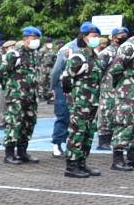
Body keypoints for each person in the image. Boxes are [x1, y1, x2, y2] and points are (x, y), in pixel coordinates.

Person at [61, 22, 107, 178]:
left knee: (88, 133)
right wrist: (69, 93)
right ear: (85, 37)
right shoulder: (78, 57)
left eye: (98, 36)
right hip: (80, 102)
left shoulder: (95, 57)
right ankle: (71, 166)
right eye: (94, 36)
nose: (97, 39)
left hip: (92, 102)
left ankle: (82, 163)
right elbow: (66, 78)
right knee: (77, 132)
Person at [0, 29, 43, 166]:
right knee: (14, 123)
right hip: (16, 96)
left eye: (37, 38)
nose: (36, 41)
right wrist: (11, 88)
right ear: (25, 39)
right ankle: (9, 154)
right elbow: (2, 73)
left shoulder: (34, 54)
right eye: (33, 38)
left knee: (28, 123)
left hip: (31, 96)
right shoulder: (15, 54)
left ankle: (22, 152)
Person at [50, 26, 88, 158]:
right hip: (63, 86)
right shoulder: (68, 49)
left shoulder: (89, 50)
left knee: (77, 117)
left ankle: (71, 145)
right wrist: (53, 87)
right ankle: (57, 144)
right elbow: (56, 70)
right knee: (63, 115)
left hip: (80, 88)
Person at [97, 27, 130, 151]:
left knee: (119, 114)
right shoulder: (107, 52)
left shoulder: (126, 50)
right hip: (108, 88)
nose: (124, 38)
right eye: (122, 36)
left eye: (126, 35)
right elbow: (98, 69)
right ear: (114, 37)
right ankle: (103, 141)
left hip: (121, 89)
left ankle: (114, 139)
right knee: (107, 113)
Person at [105, 39, 134, 170]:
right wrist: (119, 85)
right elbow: (116, 69)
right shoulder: (129, 46)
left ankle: (131, 158)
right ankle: (117, 159)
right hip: (128, 92)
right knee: (124, 124)